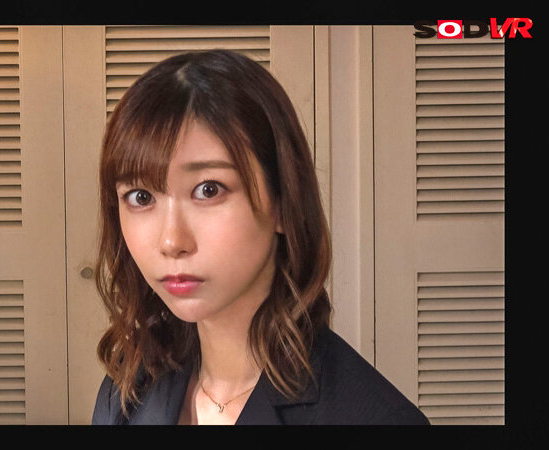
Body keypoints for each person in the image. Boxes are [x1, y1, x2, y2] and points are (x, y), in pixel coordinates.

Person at [91, 49, 429, 425]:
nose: (171, 241)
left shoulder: (376, 419)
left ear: (283, 202)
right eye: (141, 197)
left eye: (208, 190)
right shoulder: (126, 391)